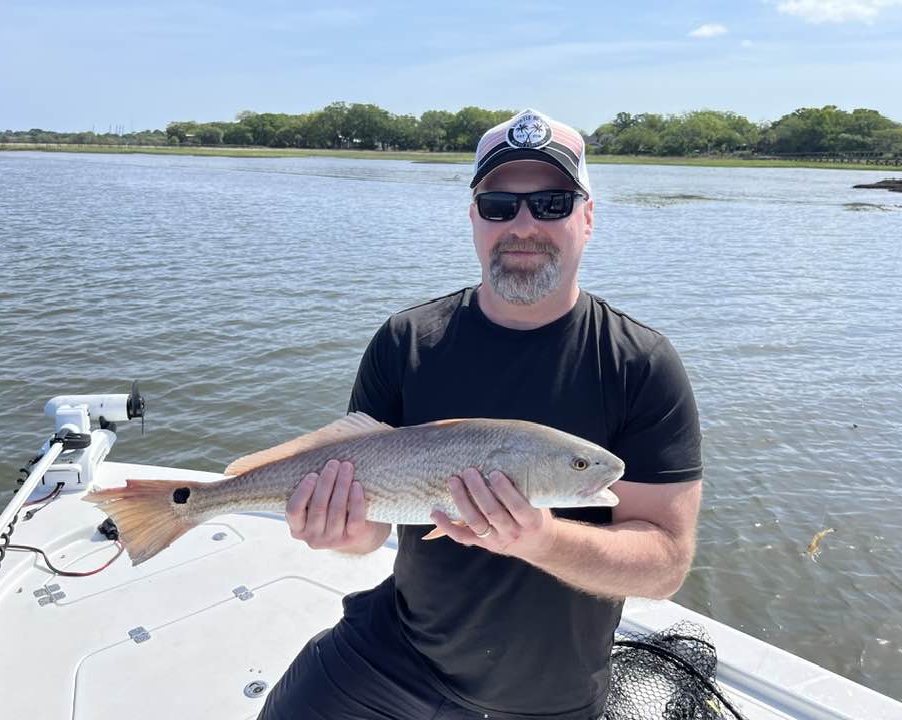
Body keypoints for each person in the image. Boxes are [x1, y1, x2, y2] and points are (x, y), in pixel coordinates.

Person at [259, 109, 703, 720]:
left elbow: (665, 566)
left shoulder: (640, 364)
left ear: (589, 217)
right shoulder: (406, 340)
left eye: (552, 203)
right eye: (499, 204)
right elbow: (370, 531)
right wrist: (340, 531)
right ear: (474, 218)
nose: (523, 225)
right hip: (391, 653)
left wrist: (539, 538)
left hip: (546, 695)